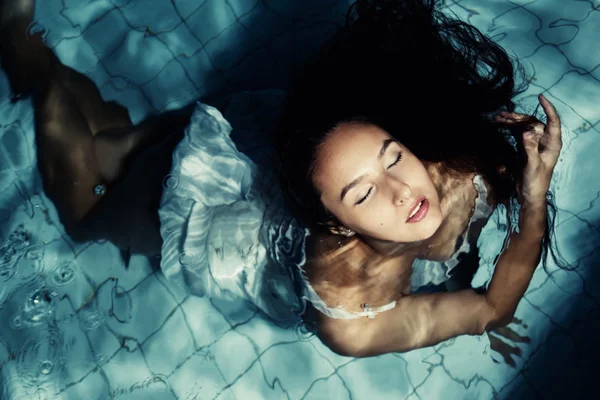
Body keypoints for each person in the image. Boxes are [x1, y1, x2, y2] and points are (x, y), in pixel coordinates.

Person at [0, 0, 562, 359]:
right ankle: (30, 59)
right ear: (335, 227)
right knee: (87, 214)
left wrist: (531, 191)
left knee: (116, 147)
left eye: (395, 157)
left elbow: (484, 302)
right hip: (228, 222)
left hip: (294, 147)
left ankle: (113, 134)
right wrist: (522, 221)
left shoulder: (455, 162)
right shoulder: (347, 306)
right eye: (364, 194)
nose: (401, 192)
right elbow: (489, 308)